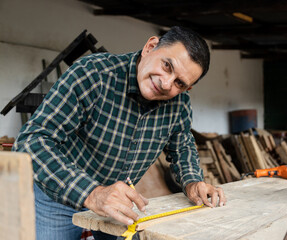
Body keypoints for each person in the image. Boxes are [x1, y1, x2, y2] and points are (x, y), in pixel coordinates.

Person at [13, 26, 226, 240]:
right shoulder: (93, 74)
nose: (166, 83)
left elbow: (182, 147)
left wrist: (192, 182)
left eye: (179, 83)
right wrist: (92, 193)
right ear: (150, 47)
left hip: (119, 204)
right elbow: (31, 142)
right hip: (59, 198)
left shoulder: (179, 104)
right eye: (167, 66)